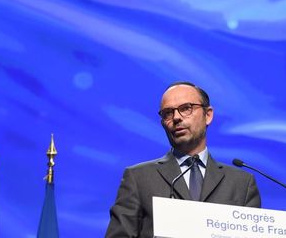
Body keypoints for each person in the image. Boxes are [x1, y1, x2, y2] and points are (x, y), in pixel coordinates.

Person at [105, 81, 261, 238]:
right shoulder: (139, 178)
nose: (176, 118)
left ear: (208, 115)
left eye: (186, 108)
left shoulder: (242, 183)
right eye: (168, 113)